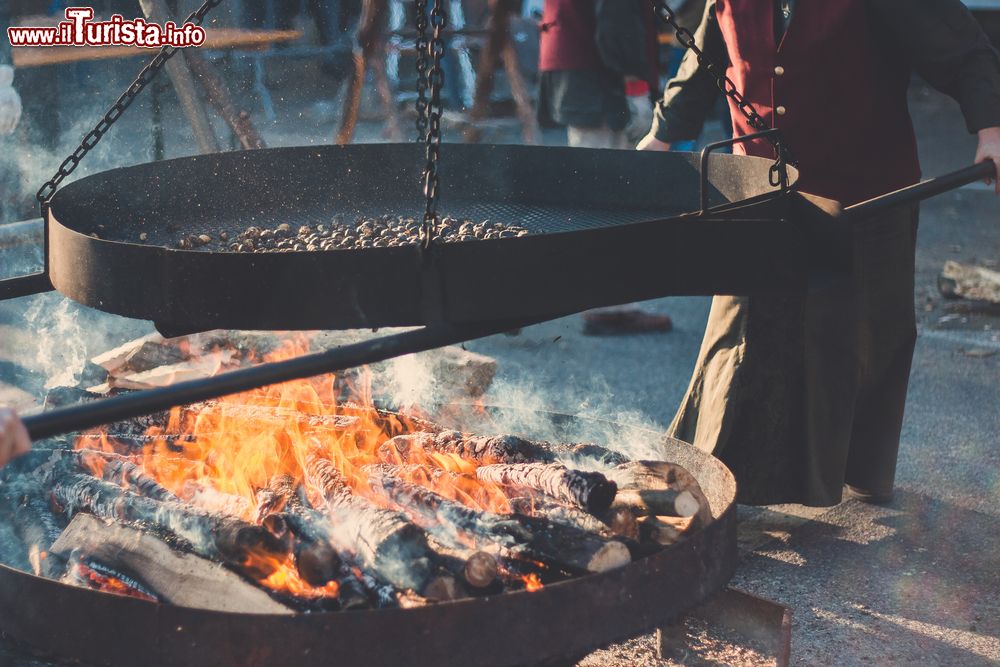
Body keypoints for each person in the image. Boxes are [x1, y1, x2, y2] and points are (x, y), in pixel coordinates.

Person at [638, 0, 1000, 506]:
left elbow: (963, 48)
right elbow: (706, 56)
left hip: (868, 187)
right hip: (758, 184)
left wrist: (991, 129)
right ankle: (721, 473)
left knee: (861, 336)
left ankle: (854, 468)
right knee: (741, 332)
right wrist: (663, 133)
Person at [537, 0, 652, 149]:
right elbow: (618, 21)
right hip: (596, 68)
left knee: (593, 159)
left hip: (573, 55)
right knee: (603, 163)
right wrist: (636, 88)